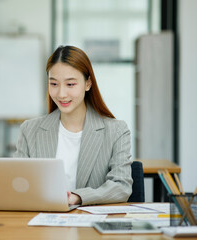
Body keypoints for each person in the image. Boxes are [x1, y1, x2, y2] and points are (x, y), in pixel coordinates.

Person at [13, 45, 132, 206]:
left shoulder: (116, 131)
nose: (61, 94)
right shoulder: (29, 130)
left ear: (88, 83)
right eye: (54, 84)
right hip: (42, 223)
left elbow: (121, 187)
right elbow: (17, 185)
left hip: (91, 226)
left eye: (70, 84)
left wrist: (77, 197)